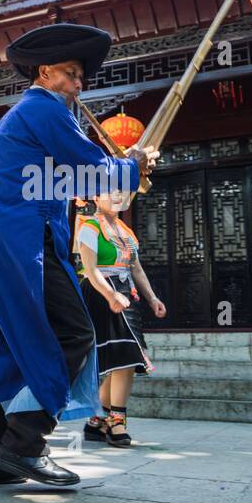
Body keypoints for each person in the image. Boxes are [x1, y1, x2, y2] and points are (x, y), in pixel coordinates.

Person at [0, 23, 158, 486]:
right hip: (26, 244)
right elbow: (94, 168)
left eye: (82, 76)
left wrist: (127, 171)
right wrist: (132, 165)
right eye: (71, 73)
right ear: (45, 72)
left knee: (7, 353)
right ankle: (25, 444)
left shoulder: (32, 116)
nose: (79, 84)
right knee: (74, 333)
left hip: (7, 242)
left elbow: (80, 183)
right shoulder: (43, 109)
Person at [76, 191, 166, 447]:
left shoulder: (125, 231)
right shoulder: (89, 227)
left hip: (127, 294)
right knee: (124, 357)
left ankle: (97, 421)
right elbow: (91, 270)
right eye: (109, 192)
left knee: (124, 359)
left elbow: (136, 268)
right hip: (101, 293)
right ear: (94, 197)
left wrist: (152, 298)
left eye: (121, 192)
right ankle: (116, 422)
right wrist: (110, 293)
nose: (117, 197)